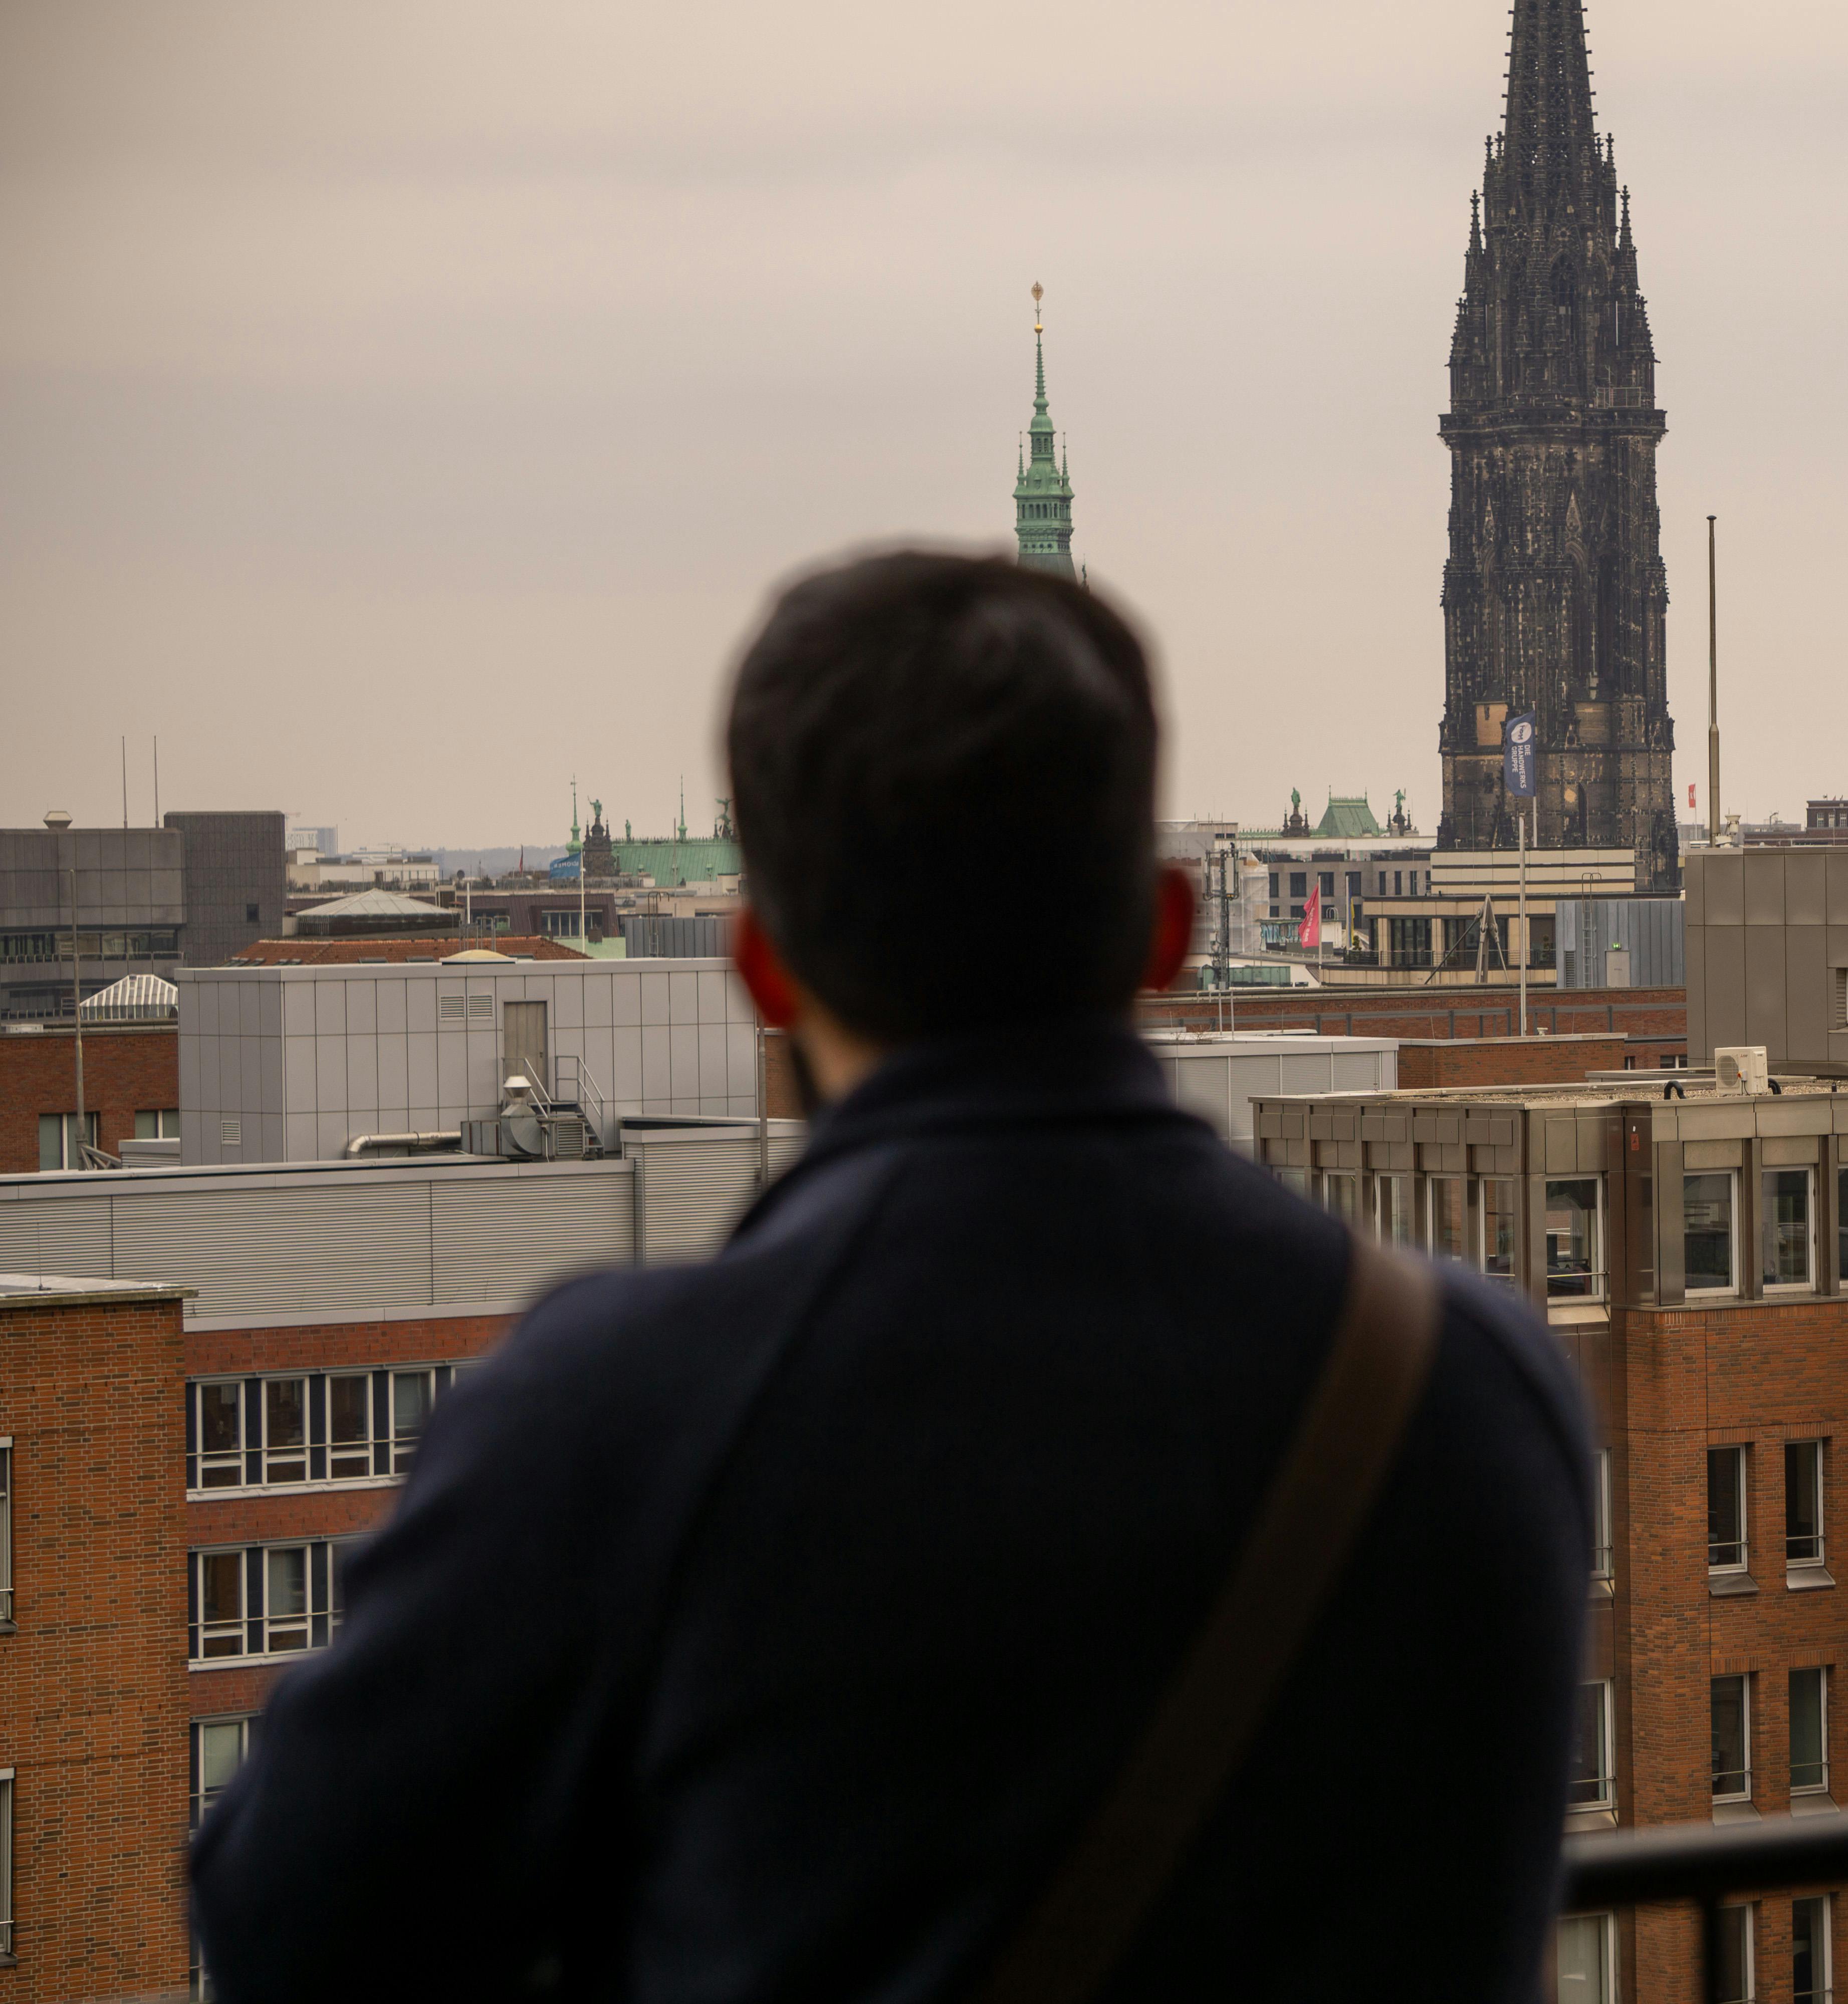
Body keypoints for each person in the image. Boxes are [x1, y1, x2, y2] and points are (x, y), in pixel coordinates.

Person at [191, 551, 1593, 2000]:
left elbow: (284, 1934)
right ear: (1167, 932)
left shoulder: (620, 1411)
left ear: (764, 969)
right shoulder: (1471, 1383)